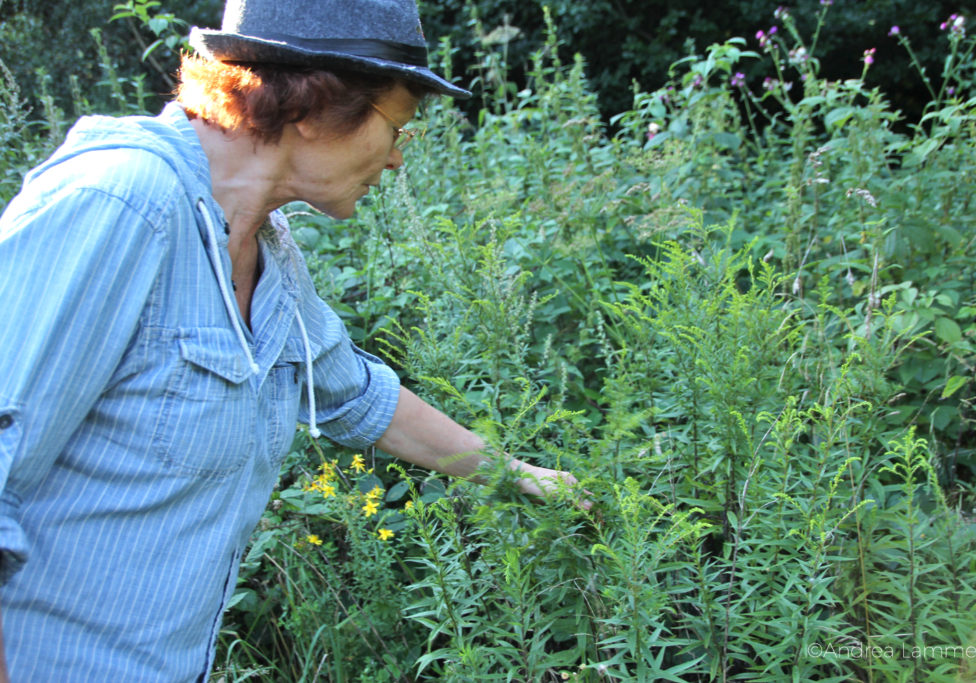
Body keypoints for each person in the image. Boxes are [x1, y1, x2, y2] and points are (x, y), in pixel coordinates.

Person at [0, 0, 585, 680]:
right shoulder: (119, 203)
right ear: (312, 103)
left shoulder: (268, 249)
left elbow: (356, 396)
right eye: (395, 127)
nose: (396, 160)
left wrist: (521, 476)